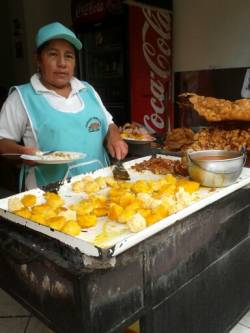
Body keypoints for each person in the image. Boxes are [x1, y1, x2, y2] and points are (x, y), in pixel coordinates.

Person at [0, 22, 128, 190]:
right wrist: (23, 153)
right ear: (38, 58)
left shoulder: (87, 90)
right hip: (50, 196)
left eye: (69, 56)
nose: (62, 63)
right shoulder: (22, 97)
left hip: (99, 188)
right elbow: (3, 143)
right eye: (53, 55)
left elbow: (108, 123)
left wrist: (114, 135)